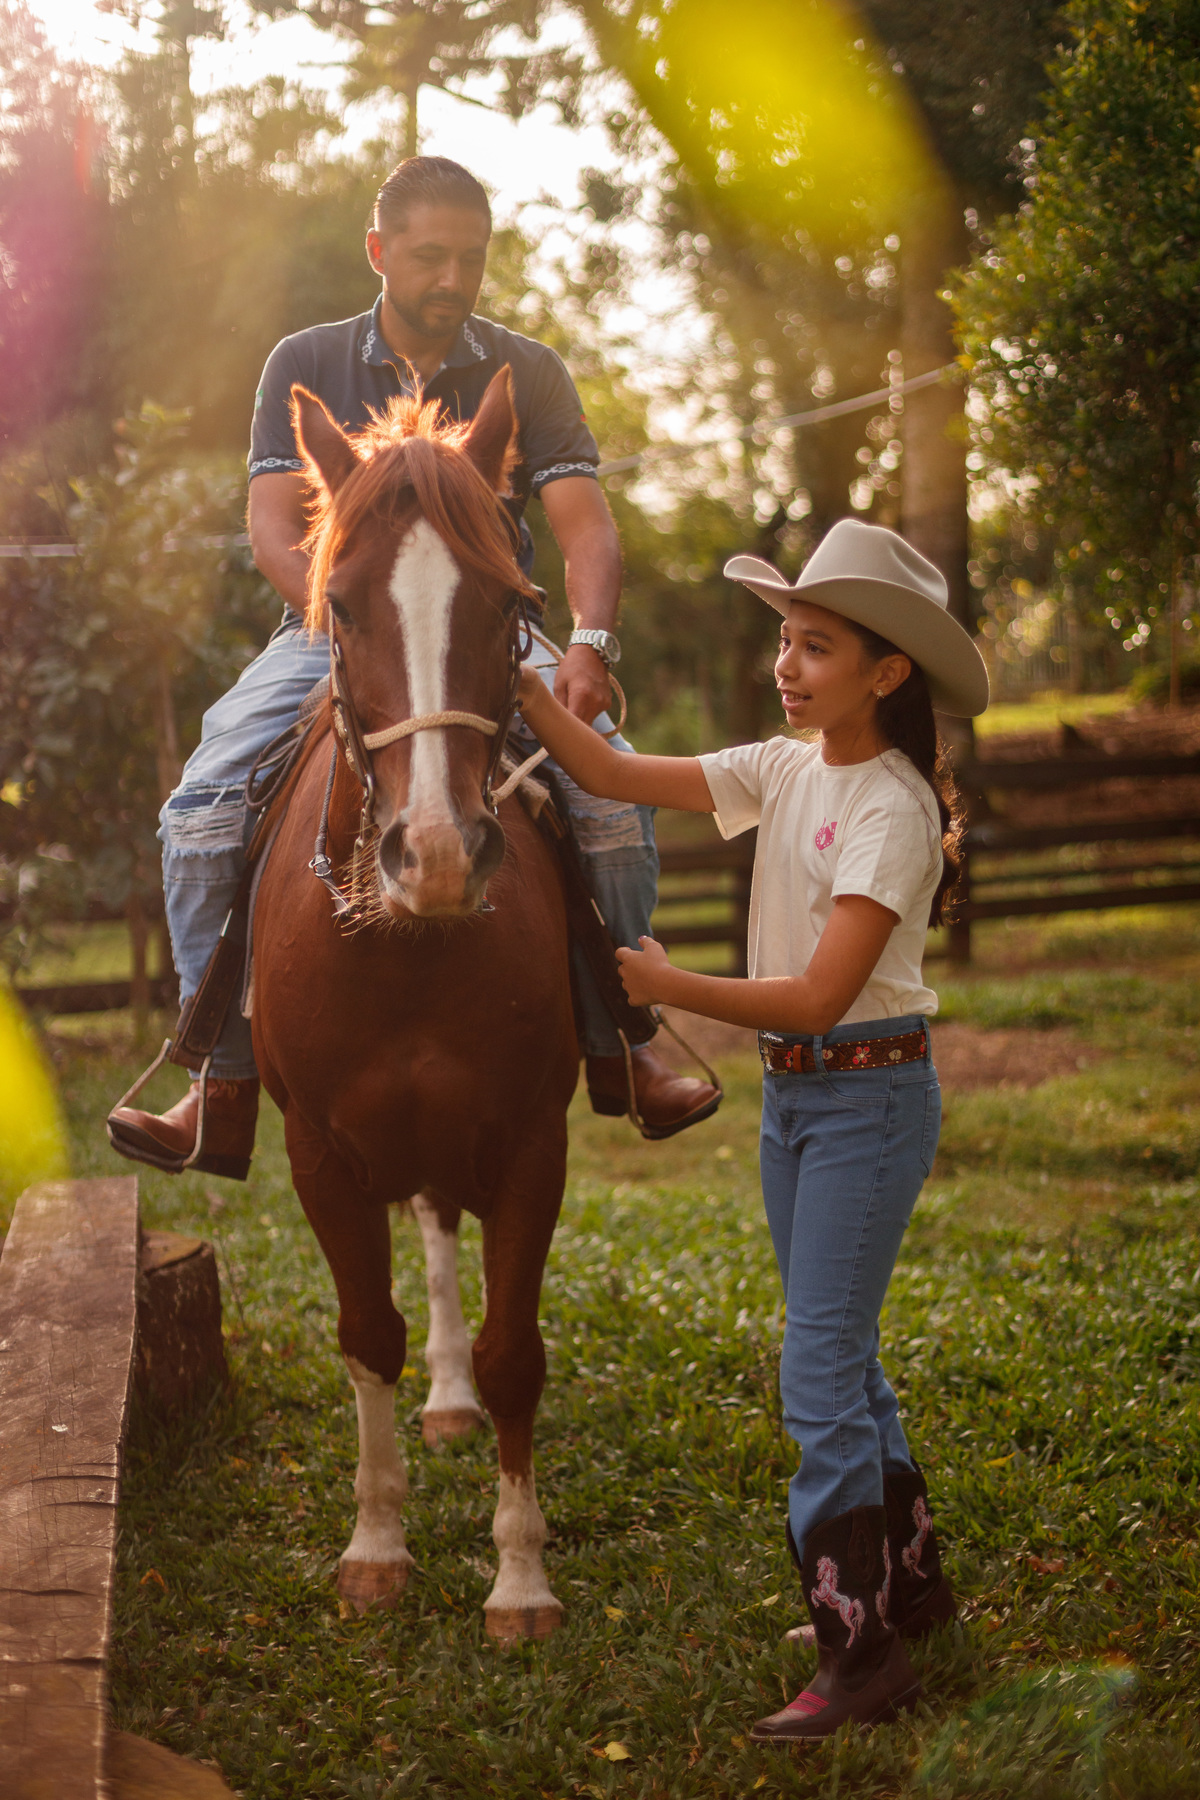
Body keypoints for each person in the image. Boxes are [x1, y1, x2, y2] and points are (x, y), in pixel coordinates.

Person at [109, 155, 718, 1179]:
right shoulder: (304, 357)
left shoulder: (532, 371)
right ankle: (217, 1078)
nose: (452, 278)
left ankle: (629, 1045)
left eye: (470, 259)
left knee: (613, 804)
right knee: (202, 810)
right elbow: (271, 530)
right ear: (379, 251)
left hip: (485, 627)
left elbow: (584, 530)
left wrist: (591, 645)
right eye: (430, 257)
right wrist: (363, 619)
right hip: (337, 624)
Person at [513, 516, 989, 1742]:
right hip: (800, 1103)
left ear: (887, 673)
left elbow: (825, 996)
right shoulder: (786, 768)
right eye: (785, 639)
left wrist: (671, 990)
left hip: (869, 1100)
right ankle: (907, 1589)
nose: (787, 665)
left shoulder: (886, 806)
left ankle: (860, 1650)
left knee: (818, 1374)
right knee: (842, 1355)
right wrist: (513, 669)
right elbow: (612, 772)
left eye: (816, 646)